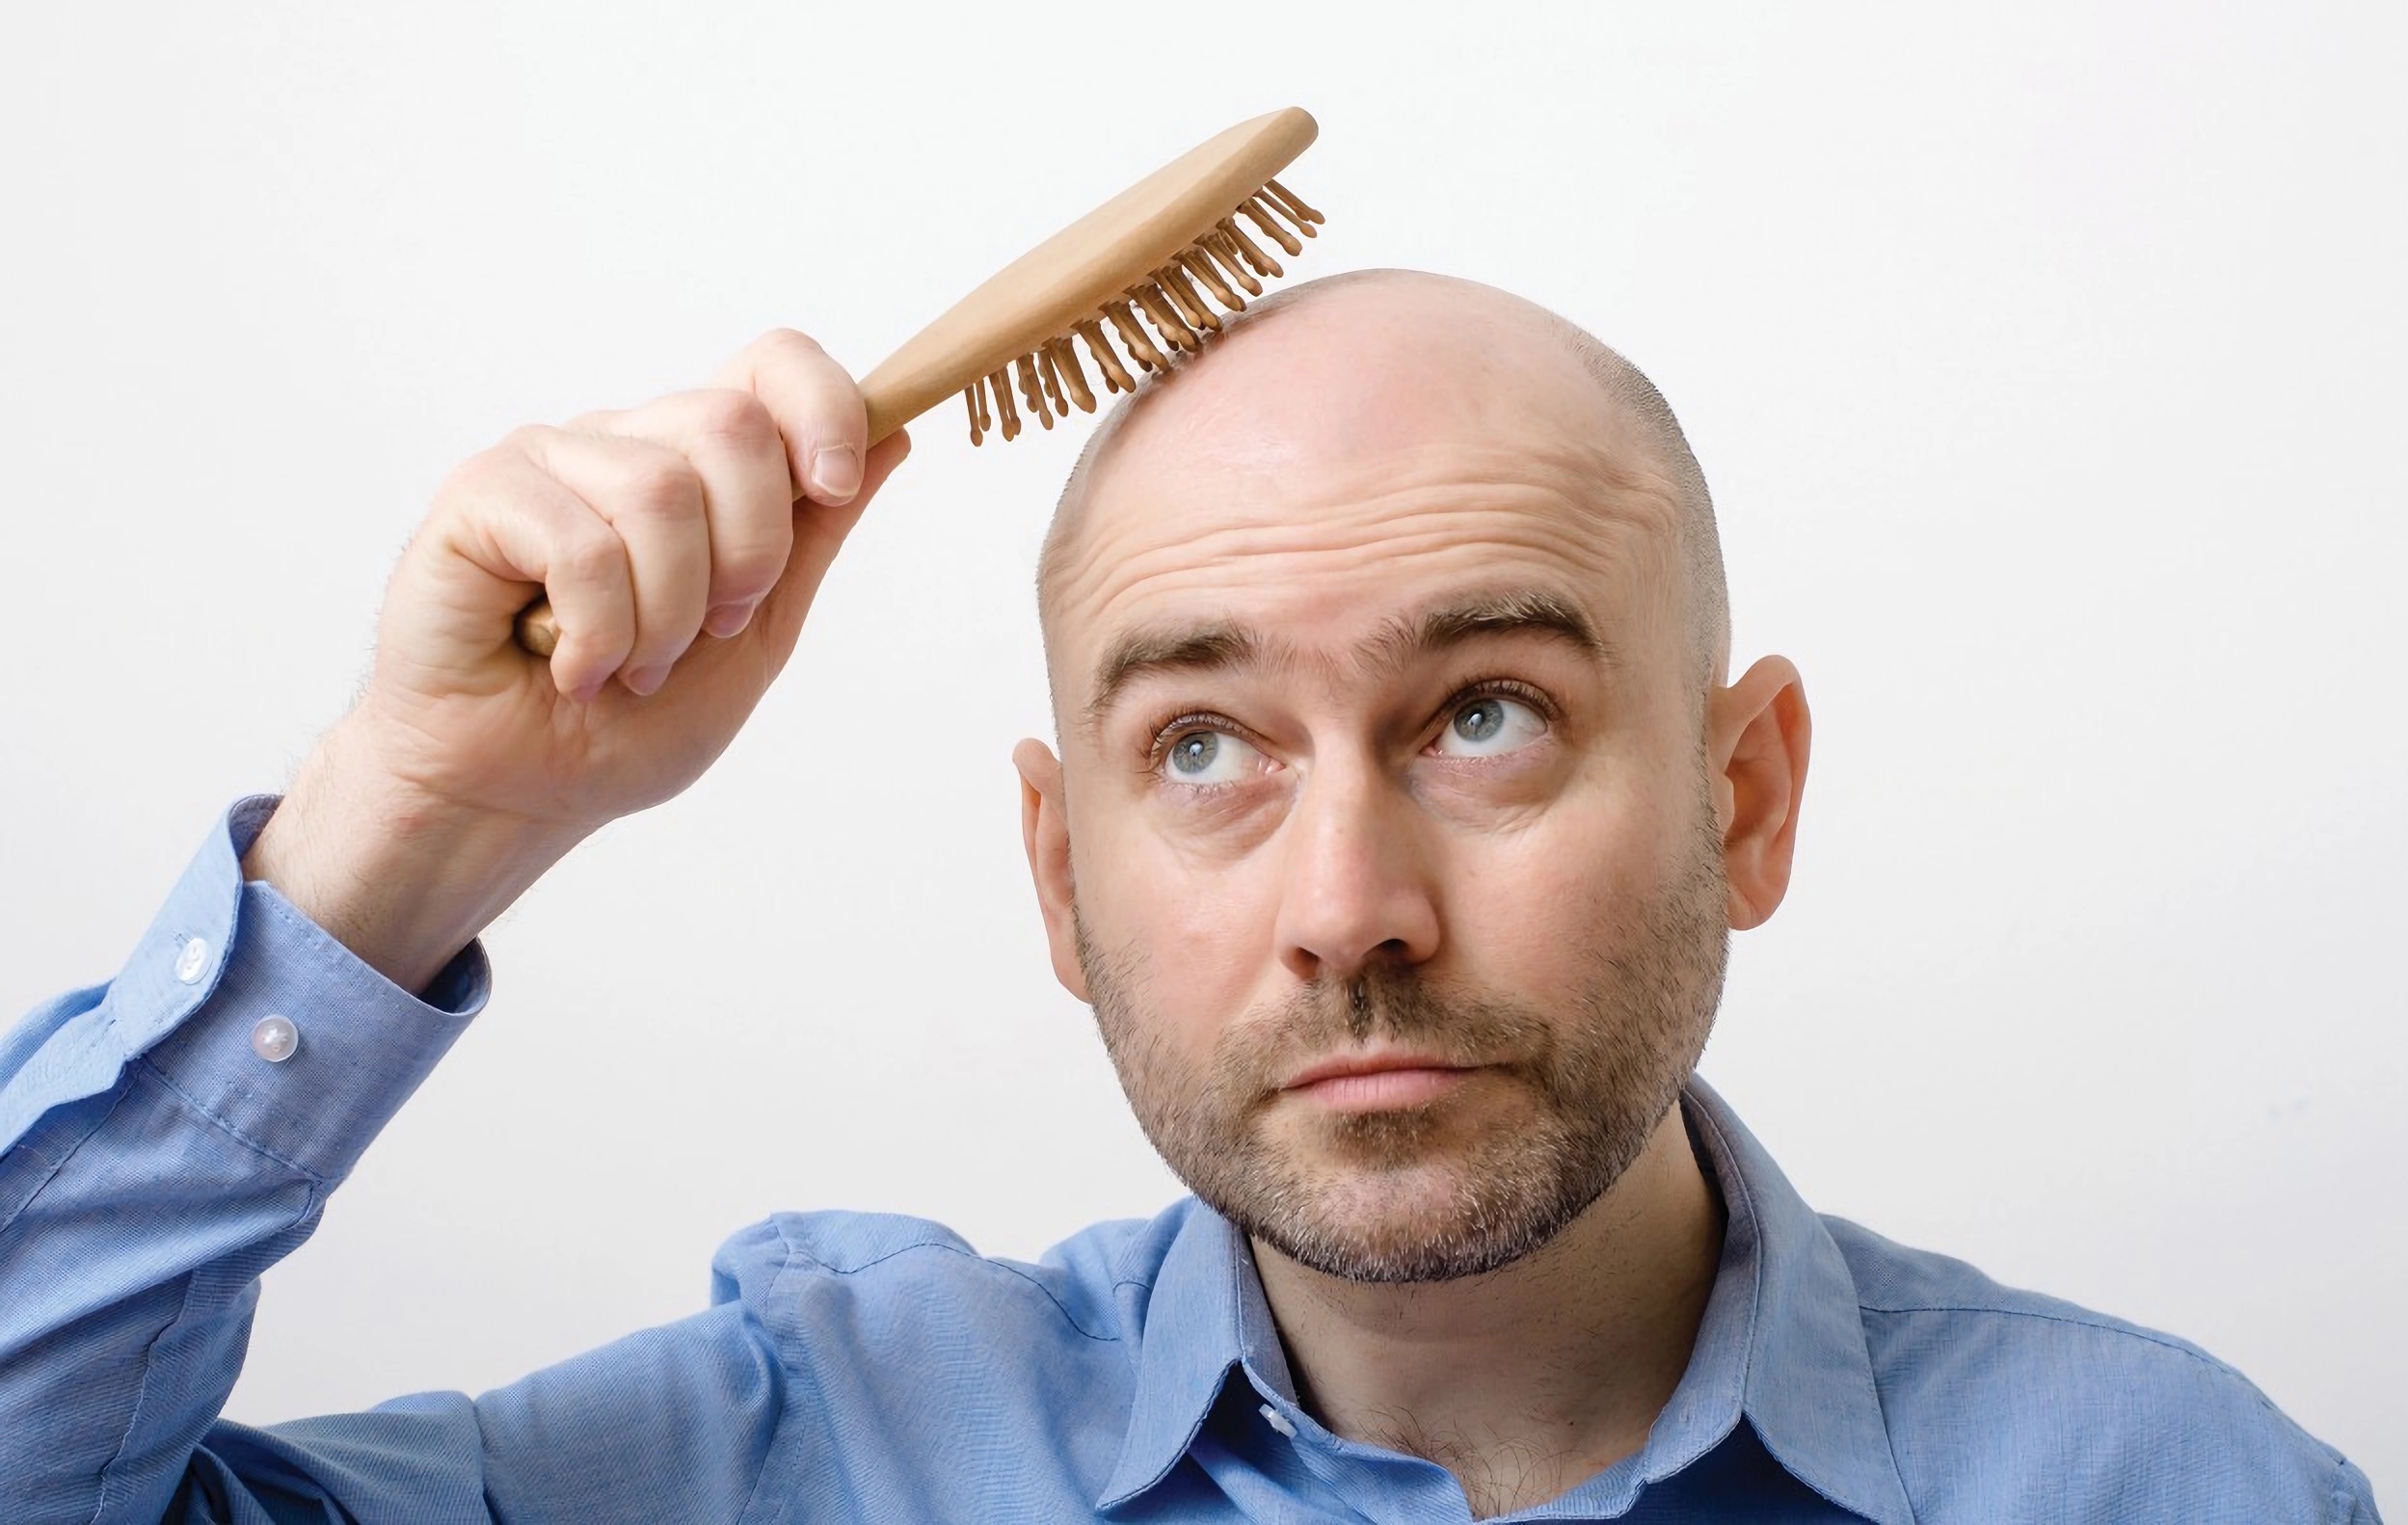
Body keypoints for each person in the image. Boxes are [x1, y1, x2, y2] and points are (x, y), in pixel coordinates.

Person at [0, 270, 2379, 1523]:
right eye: (1205, 748)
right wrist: (406, 830)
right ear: (1061, 873)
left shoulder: (2180, 1490)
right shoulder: (794, 1458)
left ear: (1746, 797)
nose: (1349, 907)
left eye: (1483, 713)